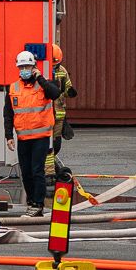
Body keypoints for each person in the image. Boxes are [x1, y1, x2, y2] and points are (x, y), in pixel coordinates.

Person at [4, 50, 62, 216]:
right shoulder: (13, 88)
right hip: (23, 138)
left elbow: (55, 93)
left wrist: (40, 78)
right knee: (26, 172)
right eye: (21, 66)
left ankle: (38, 204)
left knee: (37, 171)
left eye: (27, 66)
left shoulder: (43, 85)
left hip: (40, 138)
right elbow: (8, 114)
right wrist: (9, 136)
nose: (24, 69)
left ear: (34, 67)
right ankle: (31, 202)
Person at [46, 42, 78, 180]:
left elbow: (67, 88)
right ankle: (49, 173)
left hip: (59, 115)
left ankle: (50, 168)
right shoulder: (42, 71)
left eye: (56, 64)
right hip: (45, 116)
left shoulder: (62, 71)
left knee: (56, 145)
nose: (54, 67)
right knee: (47, 146)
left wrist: (70, 92)